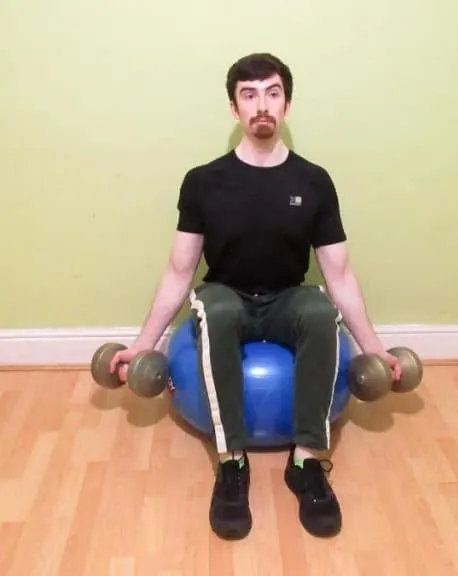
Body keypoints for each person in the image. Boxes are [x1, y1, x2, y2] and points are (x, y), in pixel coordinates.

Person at [107, 52, 401, 541]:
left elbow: (339, 274)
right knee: (215, 308)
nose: (261, 105)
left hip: (288, 297)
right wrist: (143, 344)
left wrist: (373, 346)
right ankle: (232, 464)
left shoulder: (314, 181)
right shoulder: (203, 182)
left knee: (320, 309)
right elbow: (180, 270)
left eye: (272, 93)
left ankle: (306, 463)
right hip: (228, 294)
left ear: (286, 104)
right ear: (234, 108)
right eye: (249, 95)